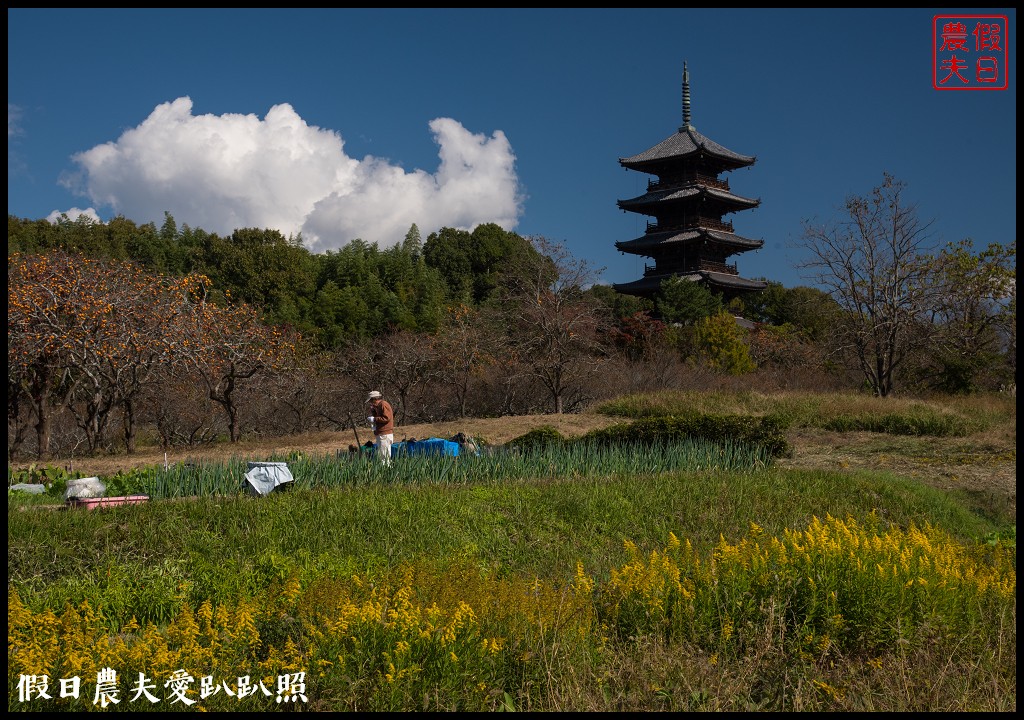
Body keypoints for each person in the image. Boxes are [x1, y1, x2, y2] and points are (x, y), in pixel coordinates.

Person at [366, 390, 394, 466]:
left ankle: (387, 471)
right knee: (383, 455)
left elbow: (386, 418)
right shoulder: (379, 406)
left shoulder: (383, 404)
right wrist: (374, 411)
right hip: (382, 433)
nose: (370, 403)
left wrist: (374, 419)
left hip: (384, 434)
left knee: (384, 457)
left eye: (371, 401)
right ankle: (386, 470)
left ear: (375, 399)